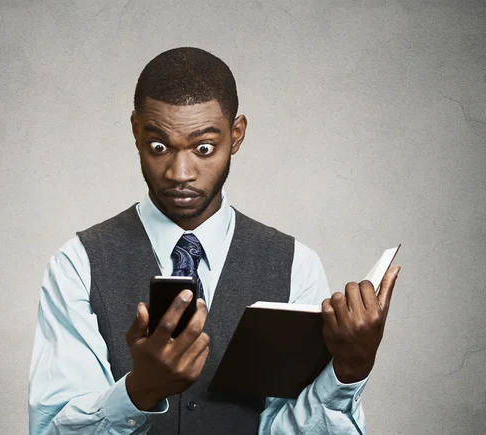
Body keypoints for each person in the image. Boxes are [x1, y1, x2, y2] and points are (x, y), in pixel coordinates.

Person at [28, 47, 400, 434]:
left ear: (236, 135)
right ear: (136, 131)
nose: (180, 172)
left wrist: (349, 372)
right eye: (159, 147)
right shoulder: (78, 264)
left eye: (203, 148)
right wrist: (138, 392)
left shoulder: (294, 265)